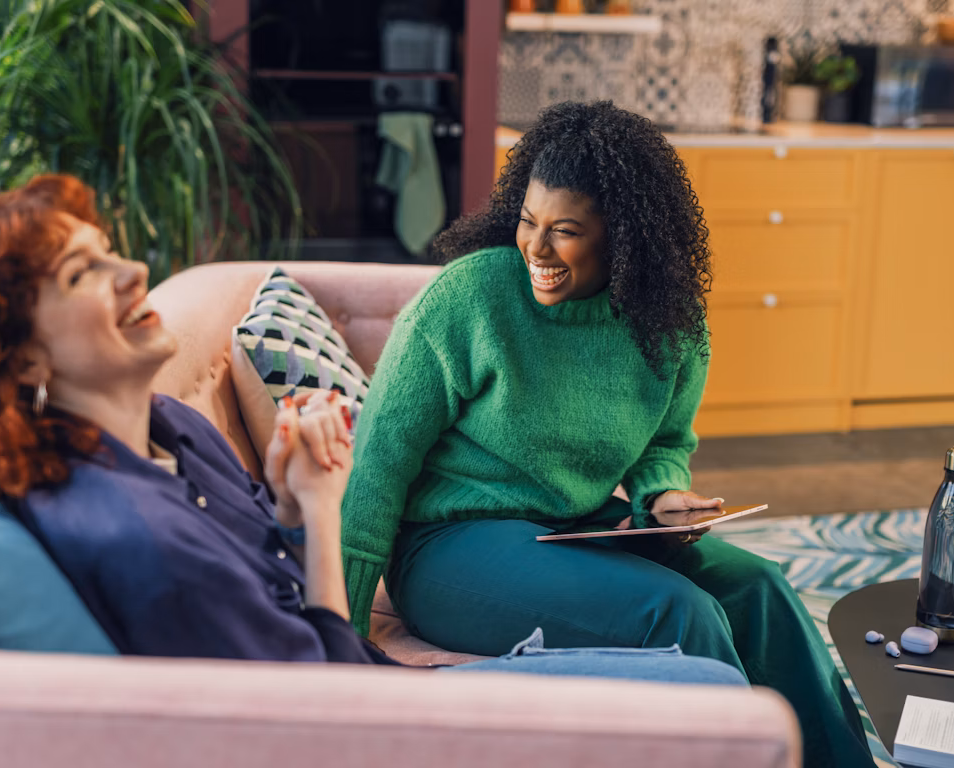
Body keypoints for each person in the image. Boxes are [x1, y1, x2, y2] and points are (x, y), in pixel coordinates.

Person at [0, 173, 748, 687]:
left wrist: (301, 506)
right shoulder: (130, 533)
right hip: (375, 713)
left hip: (368, 673)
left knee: (754, 594)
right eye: (82, 275)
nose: (133, 272)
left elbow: (286, 584)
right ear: (17, 358)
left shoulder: (174, 429)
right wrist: (328, 517)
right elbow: (321, 694)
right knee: (697, 663)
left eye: (111, 252)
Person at [340, 100, 876, 768]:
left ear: (623, 237)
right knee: (681, 614)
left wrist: (662, 494)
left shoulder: (667, 322)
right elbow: (377, 468)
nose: (535, 247)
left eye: (563, 230)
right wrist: (342, 641)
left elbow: (664, 440)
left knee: (760, 590)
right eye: (527, 222)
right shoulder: (467, 300)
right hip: (450, 549)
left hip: (583, 528)